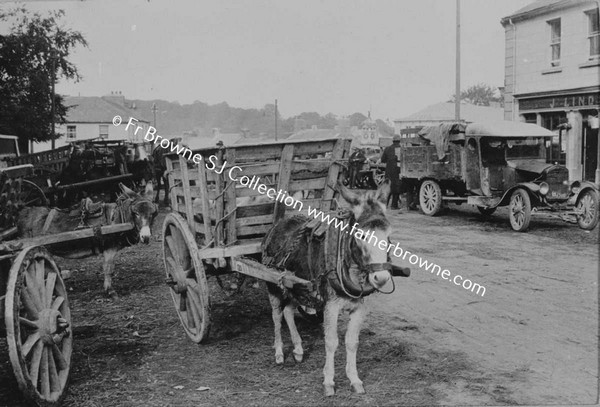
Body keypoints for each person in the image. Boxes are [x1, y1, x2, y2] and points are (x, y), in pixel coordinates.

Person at [381, 134, 402, 210]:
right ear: (399, 141)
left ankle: (385, 205)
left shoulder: (387, 149)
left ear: (393, 140)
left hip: (389, 172)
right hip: (398, 171)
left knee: (388, 188)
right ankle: (394, 205)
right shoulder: (401, 149)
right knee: (396, 188)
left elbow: (383, 159)